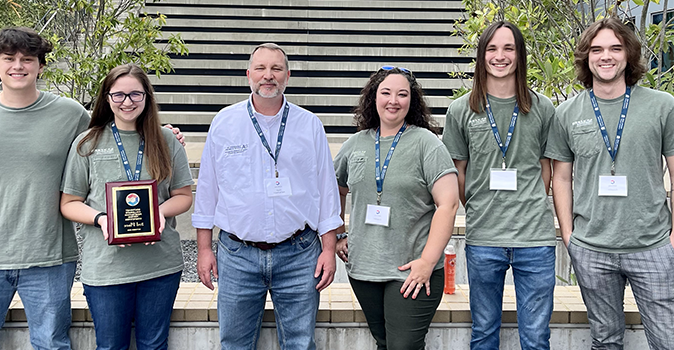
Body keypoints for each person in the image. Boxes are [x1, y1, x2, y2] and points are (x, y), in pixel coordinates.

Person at [192, 43, 342, 350]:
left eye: (276, 69)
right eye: (260, 68)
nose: (268, 76)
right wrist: (204, 249)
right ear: (248, 74)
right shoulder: (225, 122)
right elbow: (207, 189)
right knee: (234, 344)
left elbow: (326, 191)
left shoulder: (309, 124)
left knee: (300, 344)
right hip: (237, 255)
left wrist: (328, 249)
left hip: (299, 254)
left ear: (287, 76)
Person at [0, 27, 90, 349]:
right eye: (9, 59)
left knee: (52, 344)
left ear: (41, 66)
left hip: (50, 257)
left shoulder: (70, 114)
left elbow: (113, 143)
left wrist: (164, 135)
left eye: (28, 59)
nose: (18, 66)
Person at [546, 18, 674, 350]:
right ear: (586, 57)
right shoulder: (567, 112)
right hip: (592, 249)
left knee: (667, 338)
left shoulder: (662, 106)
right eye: (597, 49)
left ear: (629, 55)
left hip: (652, 245)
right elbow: (561, 177)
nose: (607, 56)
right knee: (604, 340)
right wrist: (568, 235)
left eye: (616, 48)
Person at [59, 64, 194, 349]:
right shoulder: (88, 143)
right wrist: (102, 219)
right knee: (111, 347)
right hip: (106, 269)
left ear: (147, 97)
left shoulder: (166, 140)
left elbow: (183, 195)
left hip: (160, 267)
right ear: (107, 98)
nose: (127, 102)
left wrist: (158, 212)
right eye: (119, 95)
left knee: (154, 345)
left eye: (135, 94)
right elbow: (69, 203)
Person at [441, 21, 556, 350]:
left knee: (535, 339)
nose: (500, 56)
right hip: (484, 238)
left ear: (520, 55)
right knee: (484, 333)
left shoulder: (542, 107)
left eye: (508, 48)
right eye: (492, 48)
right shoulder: (461, 109)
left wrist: (530, 201)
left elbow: (546, 169)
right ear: (481, 56)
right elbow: (457, 172)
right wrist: (478, 204)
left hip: (534, 239)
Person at [333, 66, 458, 350]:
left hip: (412, 270)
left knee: (403, 346)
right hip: (364, 270)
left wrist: (427, 262)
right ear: (373, 97)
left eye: (402, 94)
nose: (393, 100)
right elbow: (335, 187)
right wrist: (339, 232)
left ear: (412, 101)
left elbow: (448, 205)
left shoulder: (427, 143)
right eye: (386, 92)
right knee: (385, 343)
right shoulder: (356, 144)